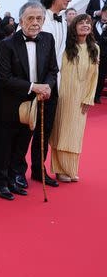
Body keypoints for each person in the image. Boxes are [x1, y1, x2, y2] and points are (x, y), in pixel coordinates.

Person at [0, 0, 58, 200]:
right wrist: (33, 87)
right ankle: (1, 182)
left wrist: (47, 86)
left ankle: (16, 177)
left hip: (34, 102)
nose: (35, 22)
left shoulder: (48, 39)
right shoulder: (6, 44)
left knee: (23, 141)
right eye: (31, 18)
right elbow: (4, 78)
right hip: (9, 101)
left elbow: (52, 70)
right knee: (5, 143)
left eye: (39, 18)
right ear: (21, 20)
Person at [50, 14, 100, 182]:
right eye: (81, 22)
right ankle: (59, 169)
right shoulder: (65, 47)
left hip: (81, 98)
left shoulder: (95, 48)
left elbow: (95, 77)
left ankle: (71, 169)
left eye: (88, 22)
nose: (85, 25)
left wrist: (89, 97)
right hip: (63, 96)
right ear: (74, 27)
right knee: (61, 132)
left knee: (75, 134)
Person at [31, 0, 71, 188]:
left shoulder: (63, 20)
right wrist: (40, 84)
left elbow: (60, 53)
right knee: (25, 130)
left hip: (53, 83)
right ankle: (14, 172)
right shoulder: (40, 17)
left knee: (44, 131)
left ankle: (39, 169)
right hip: (35, 84)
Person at [93, 6, 107, 103]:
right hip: (93, 54)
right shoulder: (93, 23)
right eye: (105, 13)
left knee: (101, 76)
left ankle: (97, 96)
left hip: (105, 56)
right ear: (101, 13)